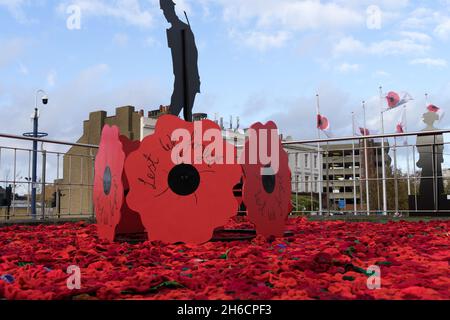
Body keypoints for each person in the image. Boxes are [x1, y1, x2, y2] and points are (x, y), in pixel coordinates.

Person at [160, 0, 201, 122]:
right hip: (179, 78)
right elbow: (176, 56)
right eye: (164, 11)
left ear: (171, 10)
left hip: (188, 78)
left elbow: (193, 54)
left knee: (185, 113)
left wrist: (192, 78)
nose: (165, 14)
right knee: (175, 113)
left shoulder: (183, 28)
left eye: (166, 10)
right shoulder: (172, 31)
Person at [416, 111, 444, 200]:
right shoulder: (437, 132)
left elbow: (419, 147)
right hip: (432, 159)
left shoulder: (422, 133)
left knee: (428, 178)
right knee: (432, 178)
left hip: (429, 159)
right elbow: (441, 146)